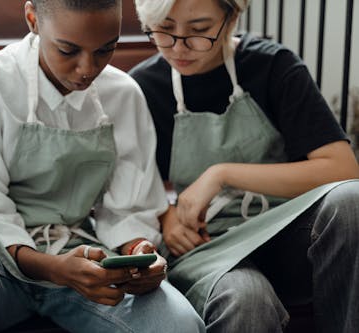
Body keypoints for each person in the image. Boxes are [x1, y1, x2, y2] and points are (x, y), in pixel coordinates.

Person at [0, 1, 206, 332]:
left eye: (105, 50)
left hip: (87, 261)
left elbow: (128, 210)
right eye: (68, 50)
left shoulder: (123, 94)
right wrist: (55, 268)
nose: (88, 68)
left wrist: (139, 254)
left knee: (179, 323)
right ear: (33, 19)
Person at [129, 0, 359, 332]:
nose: (179, 47)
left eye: (199, 30)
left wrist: (222, 174)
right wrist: (166, 219)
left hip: (287, 234)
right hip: (209, 248)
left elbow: (343, 170)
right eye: (164, 29)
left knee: (351, 202)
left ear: (232, 16)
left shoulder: (273, 65)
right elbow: (128, 190)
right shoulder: (142, 87)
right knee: (245, 299)